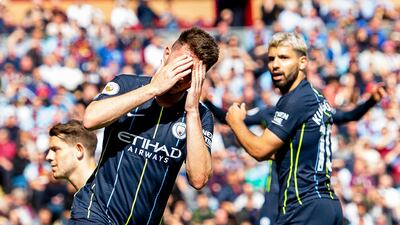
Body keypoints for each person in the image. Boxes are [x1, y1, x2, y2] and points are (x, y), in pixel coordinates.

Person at [70, 27, 219, 225]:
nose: (182, 76)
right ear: (166, 54)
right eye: (180, 65)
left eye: (191, 73)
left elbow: (199, 179)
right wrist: (153, 89)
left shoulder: (200, 116)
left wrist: (191, 111)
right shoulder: (126, 84)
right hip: (95, 213)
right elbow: (90, 120)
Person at [204, 82, 386, 224]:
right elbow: (228, 118)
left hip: (304, 191)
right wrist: (208, 102)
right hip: (276, 189)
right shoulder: (269, 113)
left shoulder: (313, 110)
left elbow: (348, 116)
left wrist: (371, 101)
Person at [226, 32, 343, 225]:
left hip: (304, 206)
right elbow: (278, 153)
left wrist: (235, 122)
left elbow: (260, 150)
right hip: (323, 205)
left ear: (303, 62)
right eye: (271, 59)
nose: (275, 65)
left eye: (284, 58)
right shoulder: (313, 96)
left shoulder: (296, 100)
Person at [46, 120, 97, 191]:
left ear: (79, 150)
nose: (48, 157)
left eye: (55, 149)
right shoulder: (84, 197)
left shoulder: (110, 194)